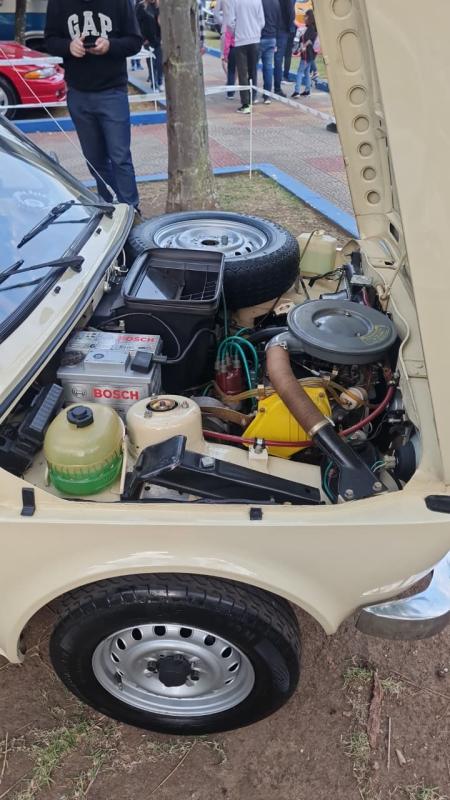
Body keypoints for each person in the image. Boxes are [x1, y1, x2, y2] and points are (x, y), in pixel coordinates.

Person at [44, 0, 142, 209]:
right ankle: (109, 207)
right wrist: (68, 47)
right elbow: (50, 40)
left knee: (120, 157)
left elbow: (135, 41)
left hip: (112, 91)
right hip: (78, 93)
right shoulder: (58, 3)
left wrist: (110, 45)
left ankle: (131, 210)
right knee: (94, 160)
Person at [225, 0, 265, 114]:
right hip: (255, 40)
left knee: (243, 73)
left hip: (241, 41)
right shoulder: (257, 1)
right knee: (253, 71)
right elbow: (262, 21)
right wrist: (256, 31)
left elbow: (230, 23)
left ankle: (246, 103)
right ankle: (252, 98)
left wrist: (236, 33)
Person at [136, 0, 163, 89]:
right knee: (151, 62)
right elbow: (137, 24)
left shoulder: (160, 6)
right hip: (147, 39)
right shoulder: (141, 7)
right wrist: (143, 39)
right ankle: (154, 83)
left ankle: (160, 80)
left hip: (159, 39)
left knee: (159, 62)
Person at [260, 0, 282, 104]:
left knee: (253, 67)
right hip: (272, 37)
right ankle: (267, 96)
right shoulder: (276, 2)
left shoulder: (260, 2)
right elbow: (278, 22)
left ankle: (253, 94)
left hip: (259, 37)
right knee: (268, 67)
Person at [291, 8, 317, 98]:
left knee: (299, 72)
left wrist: (302, 47)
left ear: (309, 17)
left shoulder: (311, 29)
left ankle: (297, 91)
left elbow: (309, 40)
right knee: (306, 72)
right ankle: (307, 90)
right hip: (310, 55)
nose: (304, 18)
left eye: (305, 16)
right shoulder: (312, 28)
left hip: (306, 55)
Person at [215, 0, 237, 98]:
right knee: (236, 61)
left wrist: (223, 22)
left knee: (224, 58)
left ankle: (230, 81)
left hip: (225, 30)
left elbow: (216, 14)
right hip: (237, 31)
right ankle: (232, 82)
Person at [273, 0, 294, 97]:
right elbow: (290, 13)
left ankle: (262, 90)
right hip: (282, 30)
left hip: (271, 28)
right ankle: (277, 88)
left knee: (269, 61)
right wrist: (290, 28)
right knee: (278, 60)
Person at [282, 0, 296, 82]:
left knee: (280, 54)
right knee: (287, 55)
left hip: (282, 28)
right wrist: (290, 28)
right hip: (289, 29)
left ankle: (282, 76)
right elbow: (290, 12)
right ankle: (285, 76)